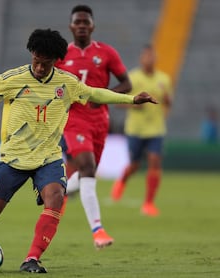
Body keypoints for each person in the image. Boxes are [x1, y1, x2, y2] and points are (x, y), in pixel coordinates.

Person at [0, 29, 157, 273]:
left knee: (56, 198)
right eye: (36, 61)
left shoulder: (66, 83)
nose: (39, 67)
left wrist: (131, 100)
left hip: (48, 158)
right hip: (14, 159)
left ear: (55, 61)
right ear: (32, 55)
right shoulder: (12, 79)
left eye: (45, 64)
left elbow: (93, 93)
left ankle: (32, 259)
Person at [55, 5, 132, 249]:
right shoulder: (60, 55)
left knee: (88, 173)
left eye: (85, 22)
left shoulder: (107, 53)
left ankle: (59, 189)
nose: (81, 26)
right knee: (86, 168)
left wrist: (104, 95)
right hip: (74, 120)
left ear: (92, 26)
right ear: (70, 26)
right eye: (77, 22)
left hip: (100, 121)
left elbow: (127, 83)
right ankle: (98, 230)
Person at [111, 44, 172, 216]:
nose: (149, 59)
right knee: (134, 165)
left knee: (154, 161)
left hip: (156, 129)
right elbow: (117, 102)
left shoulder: (164, 79)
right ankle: (121, 182)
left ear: (156, 58)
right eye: (146, 56)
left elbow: (168, 103)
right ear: (141, 58)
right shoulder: (133, 78)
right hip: (135, 129)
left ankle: (149, 203)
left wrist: (167, 102)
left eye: (152, 56)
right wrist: (133, 105)